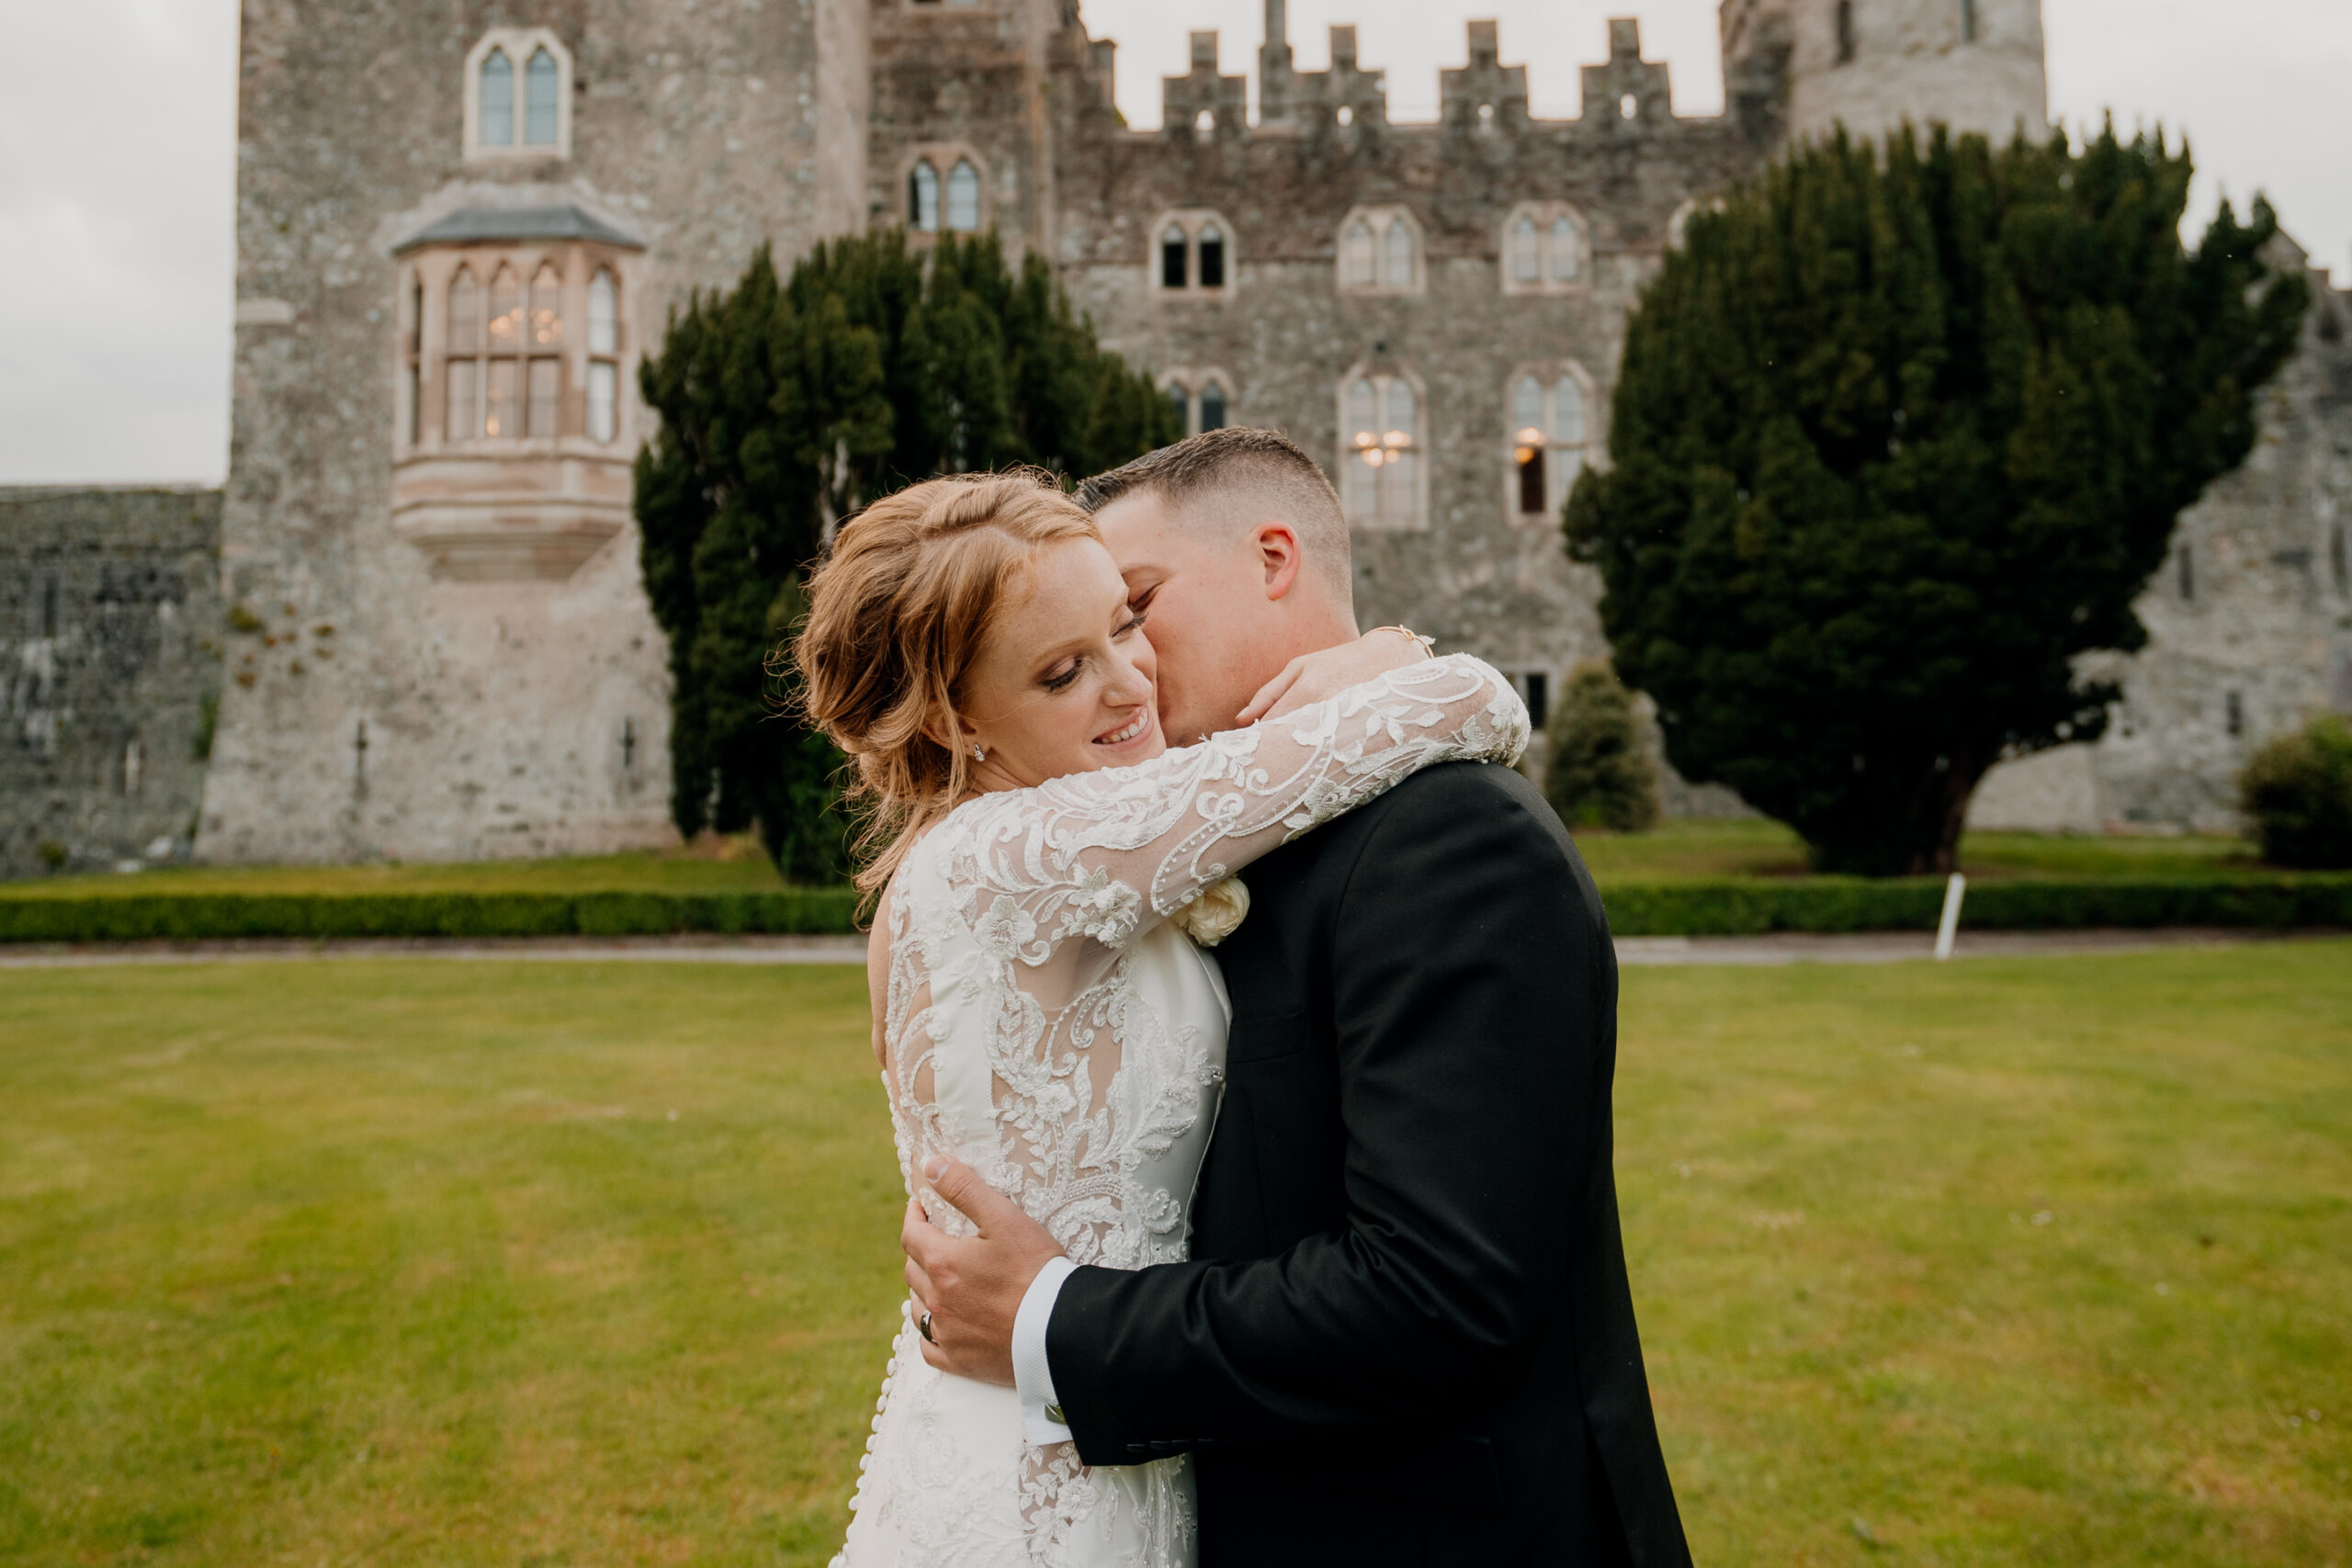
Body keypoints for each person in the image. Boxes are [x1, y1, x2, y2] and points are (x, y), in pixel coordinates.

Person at [900, 428, 1694, 1566]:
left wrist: (1050, 1319)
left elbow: (1433, 1300)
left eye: (1134, 608)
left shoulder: (1449, 840)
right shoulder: (1183, 836)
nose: (1129, 668)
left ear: (1274, 559)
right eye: (1074, 651)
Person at [794, 467, 1528, 1567]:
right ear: (955, 717)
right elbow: (1477, 704)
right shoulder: (1021, 855)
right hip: (1045, 1474)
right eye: (1060, 673)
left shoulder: (1013, 852)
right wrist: (1387, 657)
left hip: (1092, 1405)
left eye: (1124, 624)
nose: (1130, 682)